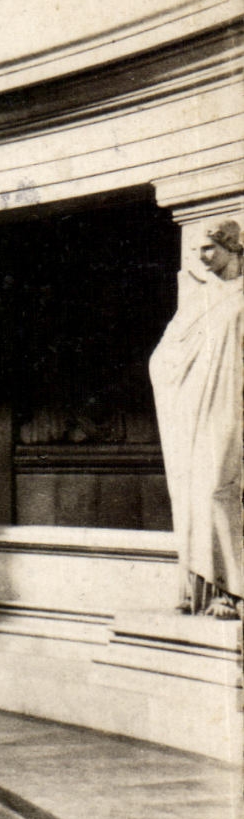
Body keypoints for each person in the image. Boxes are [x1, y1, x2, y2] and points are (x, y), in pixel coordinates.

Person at [149, 218, 243, 619]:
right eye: (199, 250)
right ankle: (200, 587)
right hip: (193, 405)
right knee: (191, 490)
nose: (203, 256)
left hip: (231, 404)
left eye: (209, 247)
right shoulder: (199, 300)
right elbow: (164, 354)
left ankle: (232, 592)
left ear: (231, 246)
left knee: (216, 489)